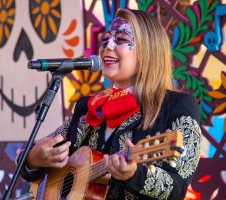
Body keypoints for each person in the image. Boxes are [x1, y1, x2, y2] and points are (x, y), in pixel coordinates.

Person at [18, 8, 202, 200]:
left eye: (121, 40)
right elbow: (36, 154)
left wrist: (135, 174)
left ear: (149, 51)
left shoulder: (177, 106)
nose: (108, 46)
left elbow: (179, 187)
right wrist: (33, 159)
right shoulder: (89, 107)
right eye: (106, 39)